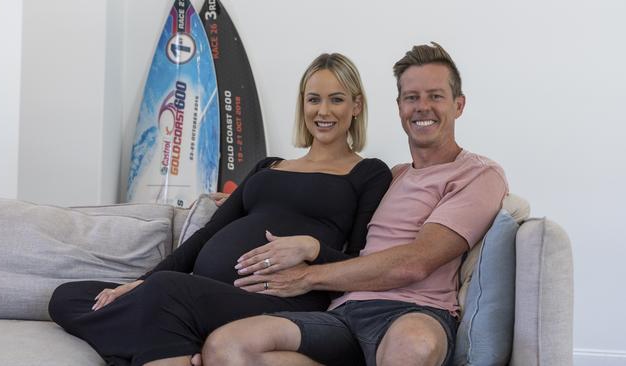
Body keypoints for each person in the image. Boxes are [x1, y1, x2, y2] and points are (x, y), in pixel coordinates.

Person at [48, 53, 392, 366]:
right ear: (302, 104)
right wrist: (140, 282)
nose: (323, 111)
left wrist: (312, 250)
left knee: (166, 291)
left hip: (279, 299)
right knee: (68, 297)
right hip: (207, 295)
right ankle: (174, 340)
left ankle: (159, 341)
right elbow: (207, 235)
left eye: (337, 100)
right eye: (313, 99)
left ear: (356, 105)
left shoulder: (368, 173)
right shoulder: (268, 166)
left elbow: (361, 262)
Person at [201, 42, 509, 366]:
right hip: (343, 315)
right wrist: (252, 200)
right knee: (227, 346)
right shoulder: (393, 177)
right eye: (411, 97)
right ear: (399, 106)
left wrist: (308, 276)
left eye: (435, 96)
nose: (422, 107)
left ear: (458, 105)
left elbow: (415, 262)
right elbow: (333, 208)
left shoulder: (478, 174)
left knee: (412, 345)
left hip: (415, 312)